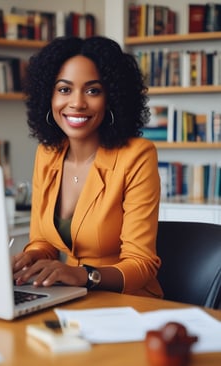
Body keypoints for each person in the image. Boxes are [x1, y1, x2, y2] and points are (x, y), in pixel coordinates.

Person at [12, 35, 163, 298]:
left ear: (112, 98)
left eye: (93, 90)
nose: (77, 103)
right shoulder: (47, 154)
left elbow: (141, 263)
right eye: (64, 89)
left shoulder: (137, 156)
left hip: (127, 302)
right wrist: (29, 259)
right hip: (67, 295)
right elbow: (43, 242)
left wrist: (83, 275)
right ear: (48, 95)